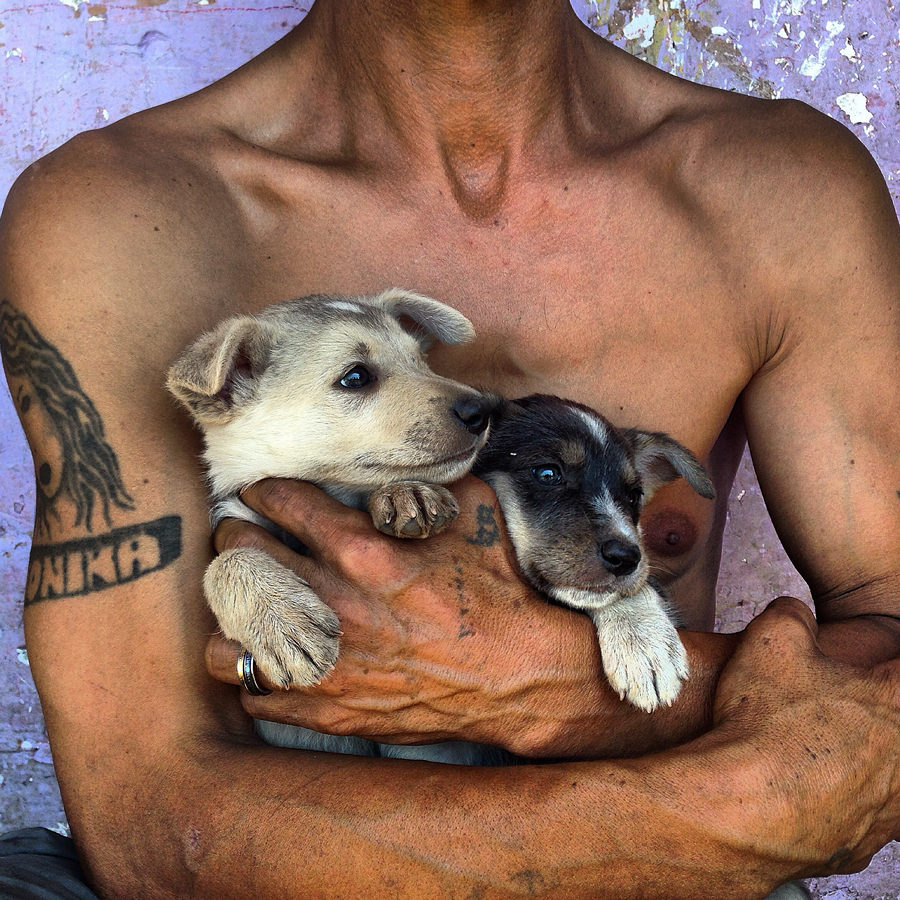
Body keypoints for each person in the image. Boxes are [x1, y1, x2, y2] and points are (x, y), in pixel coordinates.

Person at [1, 0, 899, 897]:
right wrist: (736, 803)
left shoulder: (780, 193)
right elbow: (149, 828)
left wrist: (541, 680)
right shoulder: (120, 215)